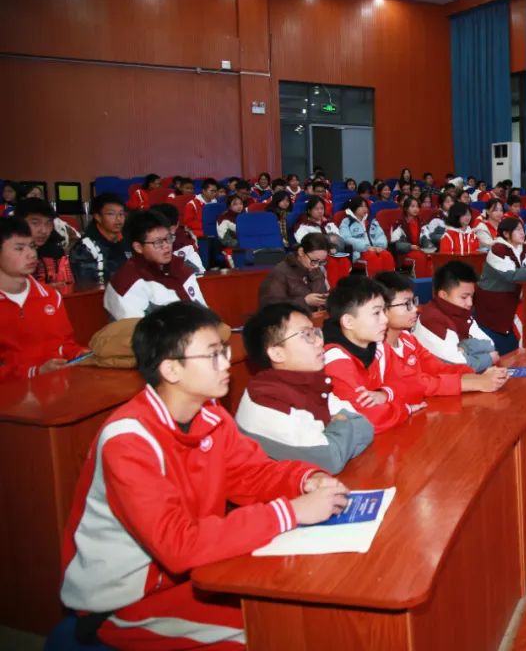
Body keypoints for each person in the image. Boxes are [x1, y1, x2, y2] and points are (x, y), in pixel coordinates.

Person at [59, 302, 348, 650]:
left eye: (223, 351)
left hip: (196, 574)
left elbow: (252, 474)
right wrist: (291, 511)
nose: (226, 362)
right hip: (126, 599)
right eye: (212, 355)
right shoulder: (128, 441)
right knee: (278, 634)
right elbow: (177, 545)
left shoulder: (210, 414)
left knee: (308, 614)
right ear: (171, 369)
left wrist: (305, 479)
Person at [236, 302, 374, 474]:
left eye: (316, 332)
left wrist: (335, 432)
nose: (319, 341)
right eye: (307, 335)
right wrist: (340, 425)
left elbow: (364, 425)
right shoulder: (265, 400)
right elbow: (329, 459)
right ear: (277, 353)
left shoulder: (308, 382)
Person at [376, 272, 508, 404]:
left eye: (413, 302)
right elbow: (417, 384)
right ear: (382, 309)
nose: (415, 309)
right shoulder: (376, 350)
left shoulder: (408, 340)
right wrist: (475, 383)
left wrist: (477, 375)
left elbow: (438, 368)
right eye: (406, 304)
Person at [323, 276, 414, 433]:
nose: (385, 319)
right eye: (376, 312)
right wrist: (406, 409)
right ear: (348, 322)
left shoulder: (379, 347)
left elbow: (411, 385)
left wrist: (384, 394)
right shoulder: (335, 361)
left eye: (384, 311)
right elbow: (369, 419)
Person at [0, 217, 87, 381]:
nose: (31, 254)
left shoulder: (50, 296)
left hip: (57, 387)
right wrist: (34, 372)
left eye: (32, 246)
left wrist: (80, 354)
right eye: (19, 248)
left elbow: (65, 344)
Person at [105, 210, 207, 320]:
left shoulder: (182, 268)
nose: (167, 246)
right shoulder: (127, 283)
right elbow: (136, 329)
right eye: (158, 242)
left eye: (168, 238)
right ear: (138, 247)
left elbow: (205, 314)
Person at [475, 218, 526, 353]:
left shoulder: (524, 248)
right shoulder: (497, 249)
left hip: (513, 298)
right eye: (518, 230)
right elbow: (511, 275)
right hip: (493, 300)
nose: (522, 233)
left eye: (523, 229)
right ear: (506, 233)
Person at [415, 261, 499, 372]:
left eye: (472, 297)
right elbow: (459, 365)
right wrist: (489, 358)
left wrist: (464, 347)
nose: (470, 303)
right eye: (464, 297)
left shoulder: (462, 313)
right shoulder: (431, 319)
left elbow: (490, 345)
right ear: (443, 295)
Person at [259, 232, 331, 312]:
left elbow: (322, 293)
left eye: (321, 262)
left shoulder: (316, 271)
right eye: (314, 261)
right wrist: (305, 301)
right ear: (301, 252)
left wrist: (326, 300)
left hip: (314, 317)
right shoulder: (280, 272)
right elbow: (270, 306)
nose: (317, 266)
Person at [71, 193, 129, 285]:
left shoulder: (127, 240)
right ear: (97, 217)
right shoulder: (85, 247)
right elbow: (87, 285)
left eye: (121, 214)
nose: (118, 219)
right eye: (111, 214)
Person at [15, 197, 74, 287]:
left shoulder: (56, 251)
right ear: (19, 222)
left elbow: (66, 284)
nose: (43, 231)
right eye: (35, 223)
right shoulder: (8, 254)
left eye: (48, 223)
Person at [339, 196, 395, 275]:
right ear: (354, 207)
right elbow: (346, 238)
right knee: (372, 257)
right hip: (359, 253)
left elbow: (380, 235)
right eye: (361, 206)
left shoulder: (372, 221)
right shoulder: (346, 222)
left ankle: (390, 281)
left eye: (366, 206)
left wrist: (379, 246)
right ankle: (374, 281)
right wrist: (366, 247)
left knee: (387, 255)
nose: (365, 209)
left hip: (375, 249)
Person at [151, 202, 205, 275]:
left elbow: (199, 274)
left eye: (170, 229)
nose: (167, 234)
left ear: (177, 225)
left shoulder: (186, 244)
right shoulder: (144, 245)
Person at [390, 196, 433, 277]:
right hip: (405, 252)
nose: (416, 209)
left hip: (419, 249)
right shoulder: (400, 223)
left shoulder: (421, 222)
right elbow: (396, 244)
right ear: (406, 208)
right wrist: (410, 246)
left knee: (429, 256)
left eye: (417, 206)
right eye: (412, 206)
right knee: (420, 257)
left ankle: (429, 282)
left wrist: (429, 247)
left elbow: (425, 237)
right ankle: (420, 282)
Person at [216, 194, 245, 268]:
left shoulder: (245, 217)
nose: (239, 206)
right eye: (235, 204)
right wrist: (242, 243)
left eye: (241, 203)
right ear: (229, 206)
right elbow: (225, 240)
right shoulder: (223, 219)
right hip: (231, 248)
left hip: (247, 245)